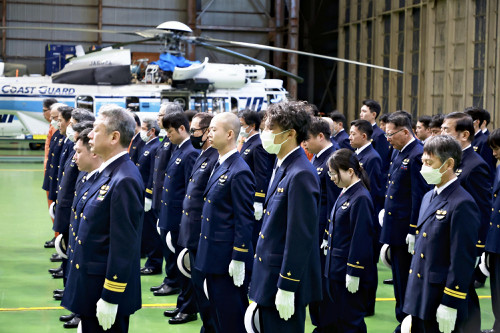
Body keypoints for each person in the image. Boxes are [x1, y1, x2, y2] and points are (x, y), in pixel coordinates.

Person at [61, 105, 144, 332]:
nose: (89, 134)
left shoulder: (123, 178)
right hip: (90, 287)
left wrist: (110, 296)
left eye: (96, 130)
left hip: (104, 291)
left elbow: (123, 245)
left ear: (114, 137)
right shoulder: (107, 174)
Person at [249, 101, 321, 332]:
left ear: (290, 133)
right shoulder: (282, 166)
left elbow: (300, 236)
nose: (264, 134)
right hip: (269, 275)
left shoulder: (300, 173)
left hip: (282, 278)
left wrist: (288, 286)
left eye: (270, 128)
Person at [403, 135, 480, 333]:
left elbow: (461, 258)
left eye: (430, 162)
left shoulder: (462, 203)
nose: (424, 167)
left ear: (449, 164)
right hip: (422, 294)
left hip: (440, 296)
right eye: (423, 162)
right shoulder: (429, 196)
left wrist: (451, 301)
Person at [195, 112, 256, 333]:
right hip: (213, 257)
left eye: (213, 129)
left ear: (230, 134)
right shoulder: (220, 163)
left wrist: (239, 256)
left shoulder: (239, 171)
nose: (209, 134)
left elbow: (244, 218)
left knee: (231, 320)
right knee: (218, 317)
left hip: (227, 261)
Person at [381, 111, 431, 332]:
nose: (387, 139)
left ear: (404, 131)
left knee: (405, 276)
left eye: (390, 134)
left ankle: (407, 319)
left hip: (405, 228)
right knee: (398, 276)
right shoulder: (399, 152)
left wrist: (414, 228)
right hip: (395, 226)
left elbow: (418, 196)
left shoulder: (417, 154)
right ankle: (402, 317)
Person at [441, 112, 490, 331]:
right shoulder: (452, 160)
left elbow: (481, 210)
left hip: (464, 243)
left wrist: (478, 248)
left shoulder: (475, 165)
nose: (442, 133)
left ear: (464, 135)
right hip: (447, 238)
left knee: (465, 292)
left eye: (446, 130)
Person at [323, 148, 376, 333]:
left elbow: (360, 237)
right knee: (339, 318)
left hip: (347, 271)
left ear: (350, 171)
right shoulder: (346, 191)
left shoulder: (360, 197)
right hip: (336, 269)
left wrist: (354, 270)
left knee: (351, 322)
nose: (331, 177)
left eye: (334, 173)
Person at [178, 112, 219, 333]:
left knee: (205, 291)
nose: (192, 134)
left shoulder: (213, 158)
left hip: (201, 234)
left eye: (195, 130)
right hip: (192, 232)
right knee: (198, 286)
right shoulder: (202, 154)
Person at [59, 126, 102, 329]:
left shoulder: (115, 180)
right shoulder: (88, 175)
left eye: (78, 152)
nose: (74, 157)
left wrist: (111, 294)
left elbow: (122, 244)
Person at [158, 111, 199, 324]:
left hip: (179, 219)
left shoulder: (190, 153)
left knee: (184, 266)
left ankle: (188, 307)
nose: (168, 136)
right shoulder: (178, 150)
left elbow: (189, 192)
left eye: (171, 131)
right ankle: (182, 303)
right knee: (177, 262)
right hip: (170, 217)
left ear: (182, 129)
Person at [303, 117, 340, 332]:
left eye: (307, 138)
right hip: (313, 229)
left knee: (324, 282)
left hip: (323, 232)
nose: (304, 142)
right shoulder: (317, 158)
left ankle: (327, 323)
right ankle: (320, 321)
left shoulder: (333, 158)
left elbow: (335, 202)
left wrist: (328, 233)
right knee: (314, 279)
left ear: (320, 136)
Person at [349, 119, 384, 316]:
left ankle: (368, 304)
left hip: (367, 216)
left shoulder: (372, 158)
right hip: (359, 213)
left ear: (364, 136)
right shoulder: (357, 155)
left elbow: (374, 191)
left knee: (368, 264)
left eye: (353, 133)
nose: (350, 136)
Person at [149, 103, 180, 296]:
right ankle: (169, 279)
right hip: (160, 199)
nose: (158, 118)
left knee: (170, 245)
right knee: (164, 241)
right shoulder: (165, 141)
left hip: (167, 201)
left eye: (161, 115)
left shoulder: (173, 143)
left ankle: (173, 281)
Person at [238, 109, 274, 248]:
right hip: (245, 194)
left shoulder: (258, 144)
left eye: (242, 125)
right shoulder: (247, 142)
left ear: (252, 126)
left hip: (253, 196)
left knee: (253, 235)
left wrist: (259, 199)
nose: (241, 128)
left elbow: (262, 173)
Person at [135, 118, 163, 276]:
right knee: (146, 230)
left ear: (152, 131)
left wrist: (149, 195)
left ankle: (154, 263)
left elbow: (154, 173)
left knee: (151, 232)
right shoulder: (148, 146)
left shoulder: (155, 147)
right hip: (142, 194)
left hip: (149, 197)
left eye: (144, 128)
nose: (141, 132)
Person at [483, 129, 500, 333]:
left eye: (496, 148)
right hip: (495, 237)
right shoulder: (498, 167)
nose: (494, 153)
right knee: (496, 289)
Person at [464, 107, 496, 181]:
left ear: (477, 122)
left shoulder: (484, 141)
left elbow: (487, 167)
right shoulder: (468, 139)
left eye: (467, 122)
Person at [360, 99, 391, 173]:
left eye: (364, 111)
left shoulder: (379, 135)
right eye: (361, 111)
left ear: (373, 114)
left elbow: (381, 161)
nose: (361, 114)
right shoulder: (361, 132)